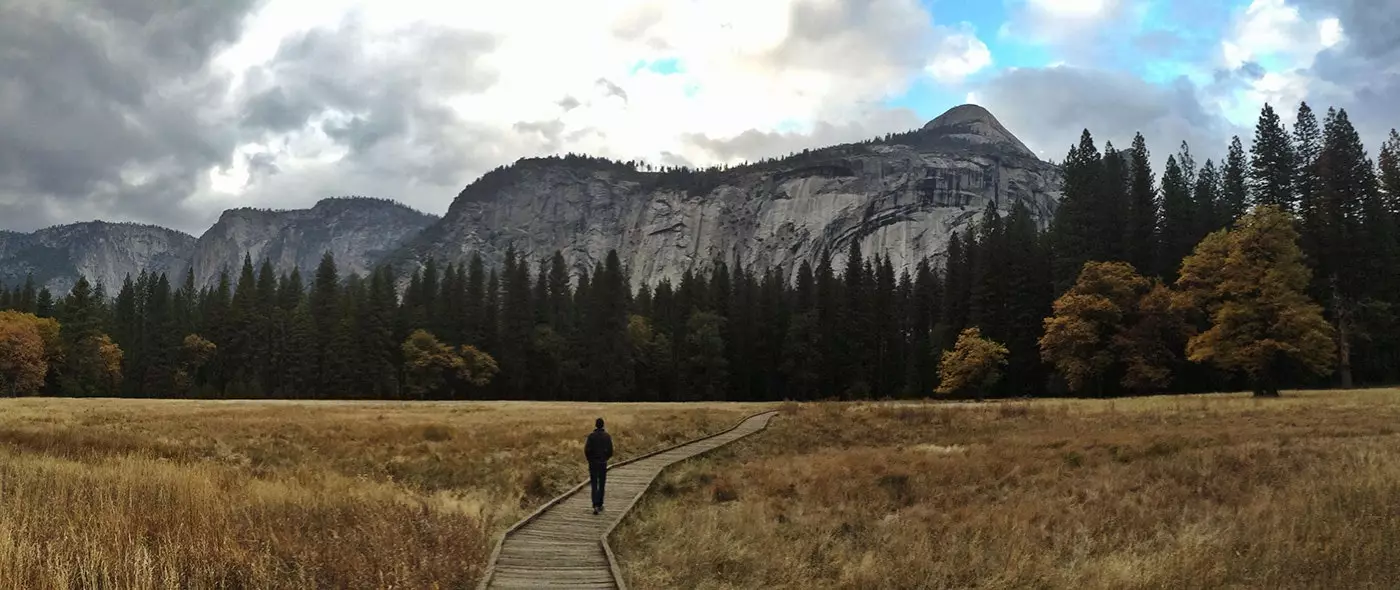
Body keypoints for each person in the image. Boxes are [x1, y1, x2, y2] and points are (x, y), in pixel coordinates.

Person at [584, 417, 613, 515]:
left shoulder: (591, 436)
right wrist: (605, 458)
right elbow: (610, 451)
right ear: (603, 425)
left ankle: (595, 504)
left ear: (596, 425)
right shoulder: (607, 436)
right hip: (602, 463)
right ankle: (600, 504)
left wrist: (590, 460)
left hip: (593, 463)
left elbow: (587, 450)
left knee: (594, 484)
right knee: (601, 484)